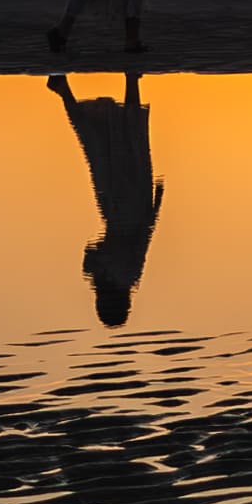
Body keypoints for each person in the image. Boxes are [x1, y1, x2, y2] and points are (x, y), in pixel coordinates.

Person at [47, 67, 163, 325]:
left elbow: (145, 235)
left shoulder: (128, 276)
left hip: (131, 206)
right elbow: (97, 253)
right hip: (123, 208)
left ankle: (129, 79)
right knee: (103, 147)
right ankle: (67, 92)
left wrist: (156, 202)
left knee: (127, 141)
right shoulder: (121, 274)